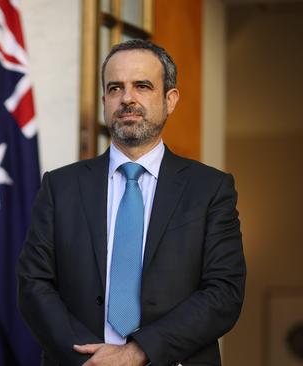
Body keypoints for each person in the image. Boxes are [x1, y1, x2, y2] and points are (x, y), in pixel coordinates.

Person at [16, 39, 246, 366]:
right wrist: (92, 358)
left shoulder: (210, 189)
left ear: (170, 100)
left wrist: (137, 352)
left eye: (142, 86)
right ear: (104, 101)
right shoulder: (60, 186)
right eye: (115, 88)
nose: (127, 98)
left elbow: (224, 293)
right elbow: (33, 283)